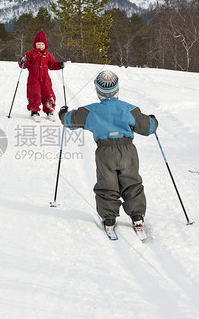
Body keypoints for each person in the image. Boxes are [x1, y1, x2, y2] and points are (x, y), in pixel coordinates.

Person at [58, 70, 158, 232]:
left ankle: (109, 217)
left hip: (105, 152)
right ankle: (137, 215)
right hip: (128, 151)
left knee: (107, 184)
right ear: (117, 89)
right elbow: (148, 127)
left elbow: (69, 121)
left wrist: (63, 113)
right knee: (131, 182)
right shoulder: (128, 109)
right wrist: (153, 120)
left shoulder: (91, 111)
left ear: (98, 91)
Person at [18, 29, 64, 122]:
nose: (40, 46)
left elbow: (52, 65)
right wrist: (22, 61)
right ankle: (34, 111)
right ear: (35, 44)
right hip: (34, 79)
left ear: (45, 45)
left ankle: (49, 111)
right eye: (38, 44)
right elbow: (24, 65)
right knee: (35, 94)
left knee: (48, 94)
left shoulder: (48, 55)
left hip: (45, 79)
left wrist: (59, 64)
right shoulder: (30, 54)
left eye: (42, 44)